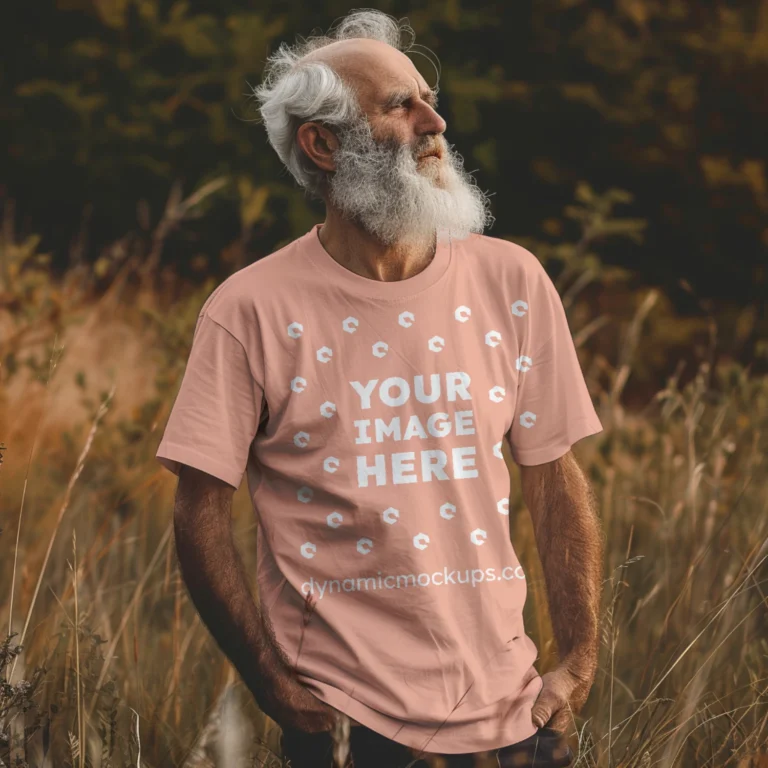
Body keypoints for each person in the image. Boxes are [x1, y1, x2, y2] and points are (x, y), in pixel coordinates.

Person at [156, 9, 604, 768]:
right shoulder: (250, 310)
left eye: (427, 98)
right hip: (349, 726)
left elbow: (554, 475)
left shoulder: (513, 279)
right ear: (321, 144)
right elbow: (198, 510)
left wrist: (580, 658)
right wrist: (272, 686)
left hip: (516, 712)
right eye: (400, 105)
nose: (435, 120)